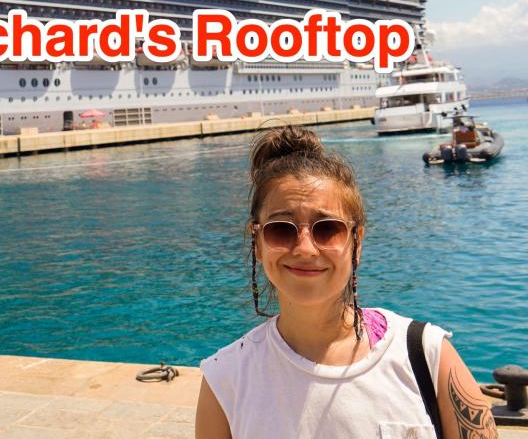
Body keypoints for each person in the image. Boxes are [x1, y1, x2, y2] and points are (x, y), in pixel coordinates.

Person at [195, 125, 496, 439]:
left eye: (327, 229)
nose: (305, 249)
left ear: (357, 241)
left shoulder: (428, 355)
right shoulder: (225, 379)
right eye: (281, 229)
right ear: (257, 242)